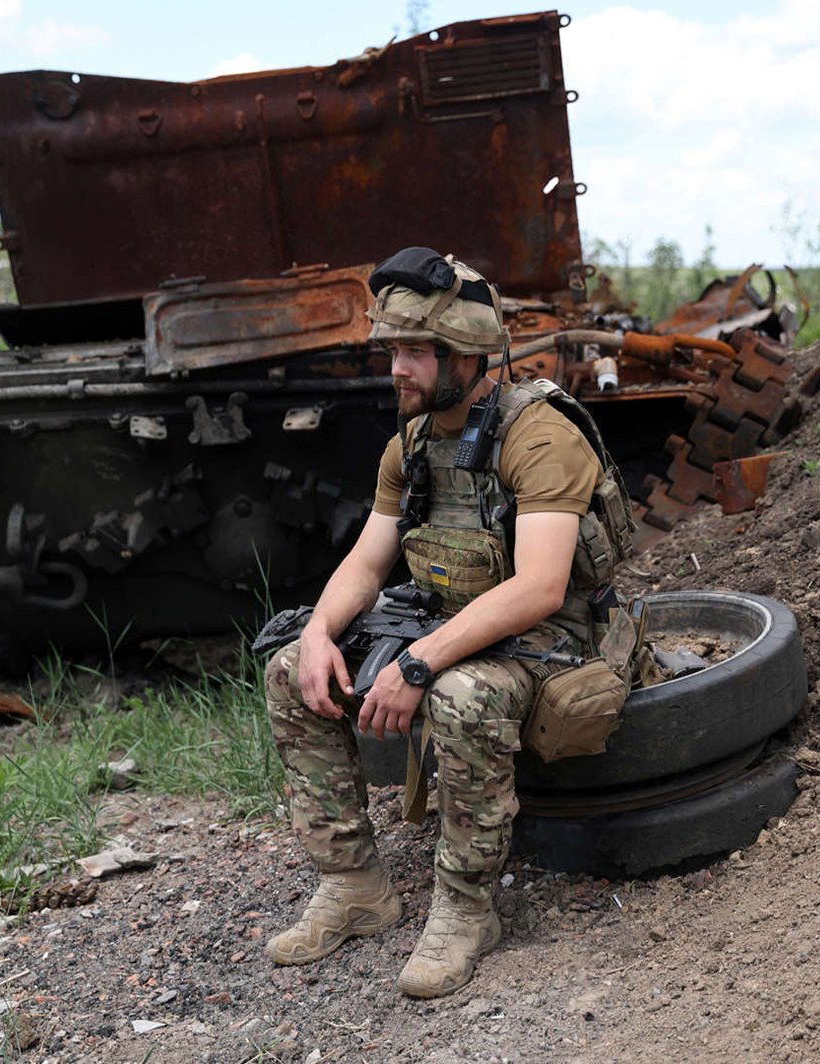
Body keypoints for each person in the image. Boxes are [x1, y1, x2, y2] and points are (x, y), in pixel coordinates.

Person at [264, 247, 626, 998]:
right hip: (451, 625)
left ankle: (466, 908)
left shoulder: (537, 436)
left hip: (545, 639)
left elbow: (540, 586)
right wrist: (318, 636)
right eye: (392, 349)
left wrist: (419, 664)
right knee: (287, 671)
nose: (396, 368)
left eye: (414, 352)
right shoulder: (414, 444)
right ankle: (355, 887)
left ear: (465, 355)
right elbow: (367, 565)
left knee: (462, 696)